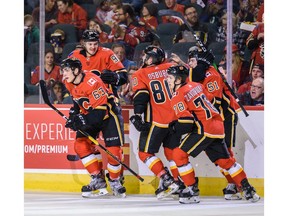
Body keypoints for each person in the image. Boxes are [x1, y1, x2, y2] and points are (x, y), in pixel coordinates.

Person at [166, 64, 260, 204]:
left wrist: (174, 127)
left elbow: (186, 122)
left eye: (170, 77)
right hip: (218, 125)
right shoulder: (196, 85)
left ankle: (192, 190)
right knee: (225, 161)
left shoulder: (177, 95)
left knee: (178, 154)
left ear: (179, 80)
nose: (167, 80)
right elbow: (209, 99)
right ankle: (248, 189)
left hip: (204, 128)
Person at [61, 57, 126, 198]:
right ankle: (97, 179)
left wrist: (81, 120)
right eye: (63, 70)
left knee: (114, 151)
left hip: (108, 115)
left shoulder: (93, 82)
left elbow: (99, 114)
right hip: (91, 114)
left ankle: (115, 180)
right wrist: (74, 116)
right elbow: (77, 102)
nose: (63, 74)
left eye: (66, 70)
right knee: (80, 145)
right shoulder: (68, 82)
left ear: (76, 70)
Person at [129, 45, 186, 200]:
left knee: (144, 153)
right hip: (177, 118)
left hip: (156, 120)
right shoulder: (172, 67)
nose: (144, 59)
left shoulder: (140, 73)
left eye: (147, 57)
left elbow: (141, 96)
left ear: (152, 58)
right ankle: (180, 182)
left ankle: (166, 178)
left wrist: (138, 115)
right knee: (171, 152)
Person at [67, 29, 128, 99]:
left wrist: (115, 77)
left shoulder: (107, 53)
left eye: (95, 44)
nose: (93, 47)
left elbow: (123, 75)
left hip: (105, 97)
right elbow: (66, 77)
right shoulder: (74, 56)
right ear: (83, 43)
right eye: (90, 44)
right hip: (82, 97)